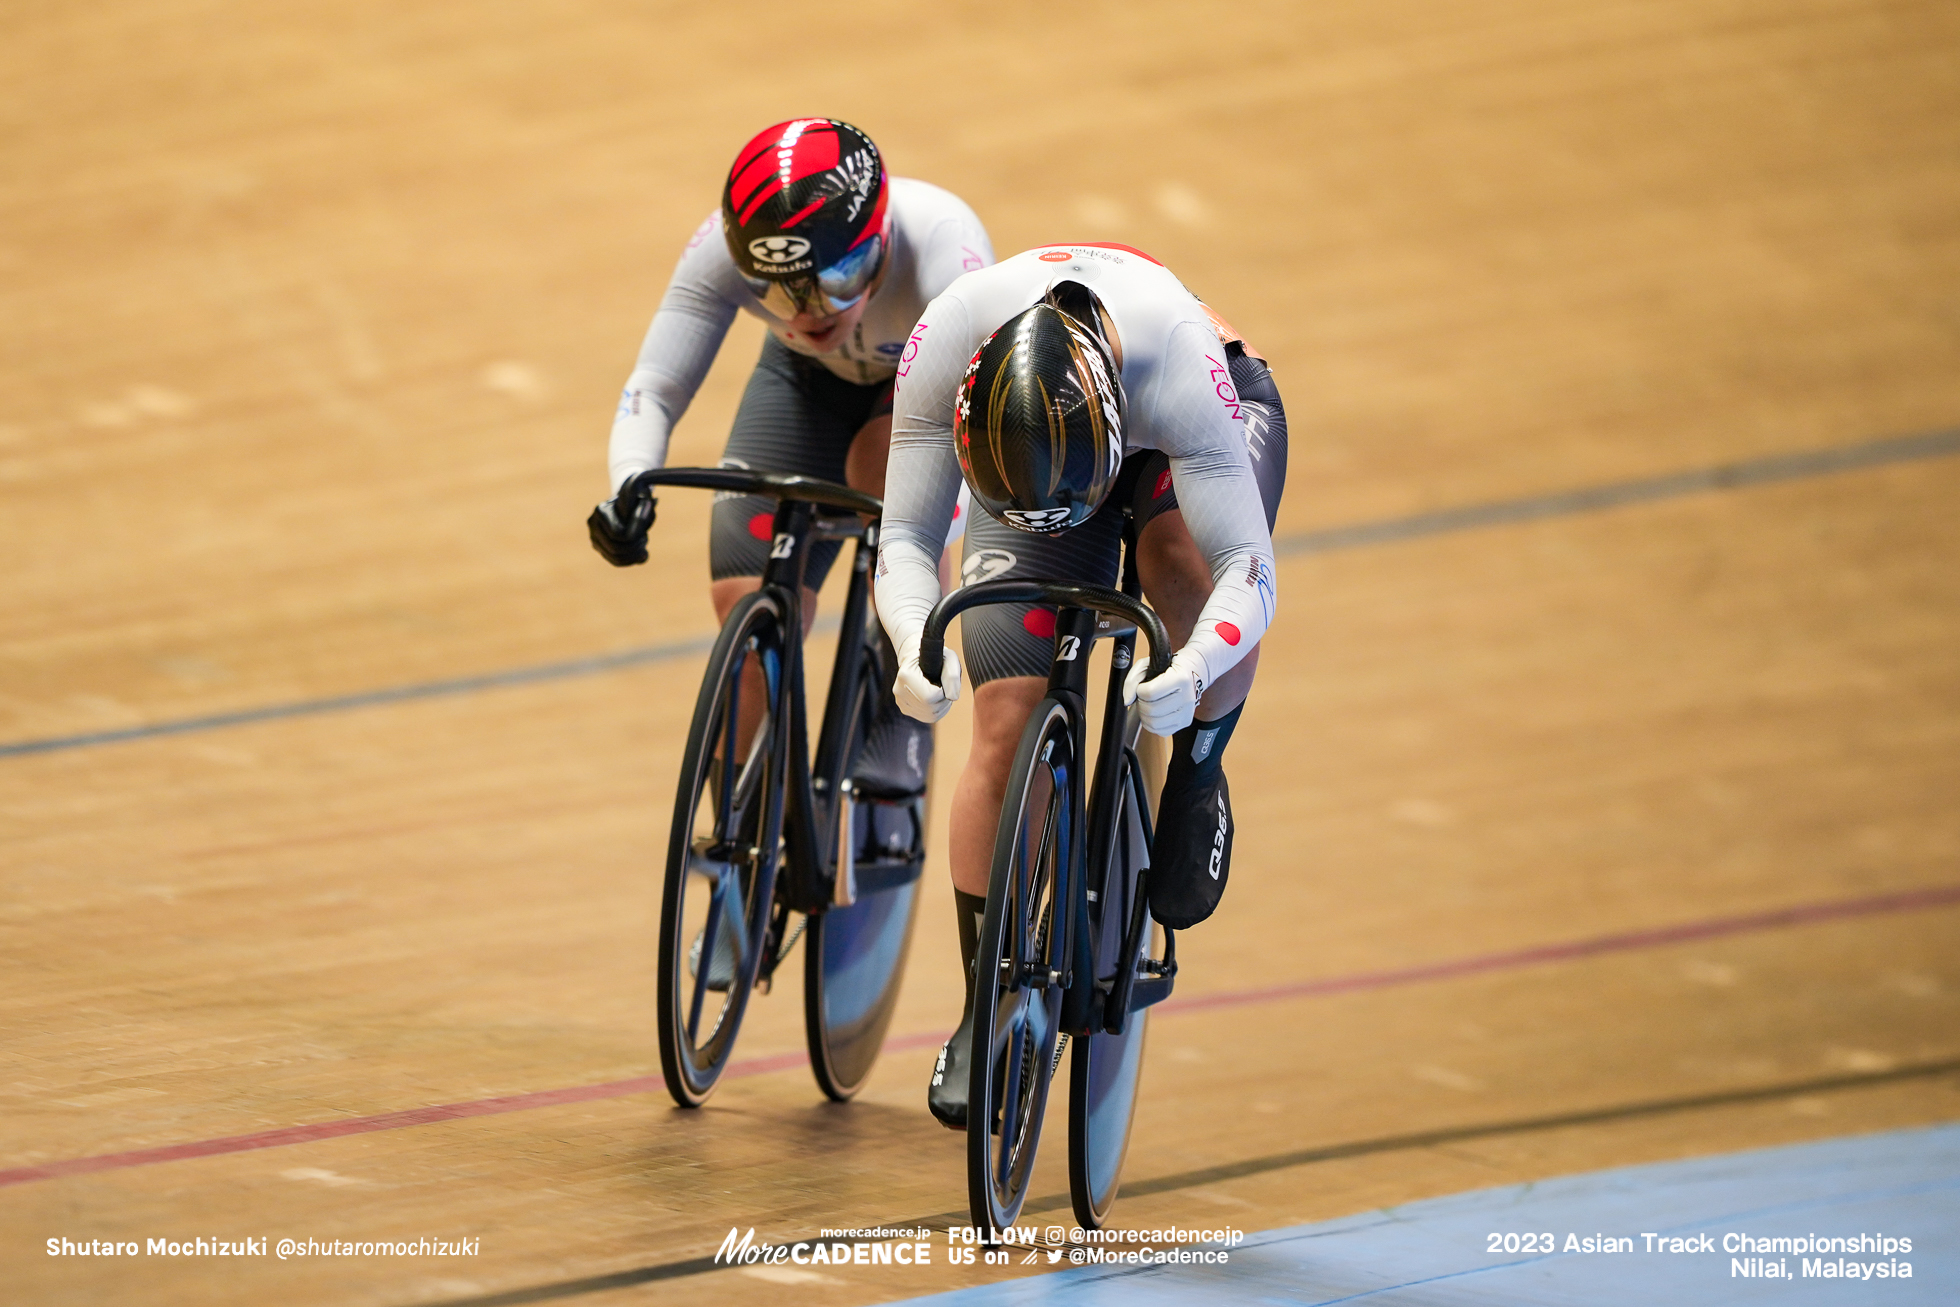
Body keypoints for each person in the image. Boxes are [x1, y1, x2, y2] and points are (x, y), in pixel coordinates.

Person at [873, 243, 1287, 1128]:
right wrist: (913, 640)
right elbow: (905, 536)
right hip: (1039, 458)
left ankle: (1200, 768)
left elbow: (1249, 569)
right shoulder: (947, 337)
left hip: (1191, 426)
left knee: (1175, 564)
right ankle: (988, 1007)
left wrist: (1198, 666)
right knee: (1003, 716)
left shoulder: (1175, 361)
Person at [588, 118, 992, 800]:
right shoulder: (721, 250)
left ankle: (901, 672)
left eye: (834, 279)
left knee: (880, 469)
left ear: (880, 239)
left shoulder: (945, 249)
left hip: (917, 393)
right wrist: (628, 484)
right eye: (774, 293)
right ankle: (740, 837)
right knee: (740, 601)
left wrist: (914, 554)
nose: (807, 315)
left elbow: (967, 445)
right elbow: (653, 387)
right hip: (804, 382)